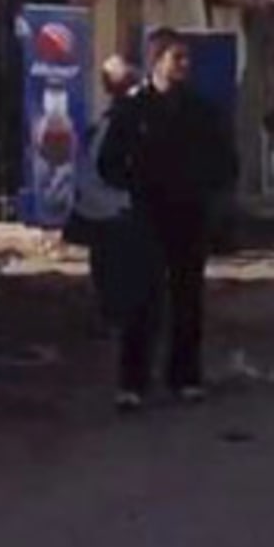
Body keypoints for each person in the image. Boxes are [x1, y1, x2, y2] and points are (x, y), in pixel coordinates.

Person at [98, 29, 238, 410]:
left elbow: (226, 161)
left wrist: (206, 188)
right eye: (177, 58)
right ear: (156, 60)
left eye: (186, 59)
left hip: (189, 214)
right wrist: (138, 184)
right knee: (140, 299)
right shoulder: (133, 110)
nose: (184, 66)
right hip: (146, 214)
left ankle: (185, 377)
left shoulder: (200, 111)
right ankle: (132, 384)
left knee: (187, 299)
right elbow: (107, 162)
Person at [68, 55, 148, 330]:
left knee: (113, 265)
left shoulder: (129, 111)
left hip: (113, 203)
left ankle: (116, 314)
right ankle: (114, 314)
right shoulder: (117, 113)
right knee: (111, 264)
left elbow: (110, 161)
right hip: (109, 204)